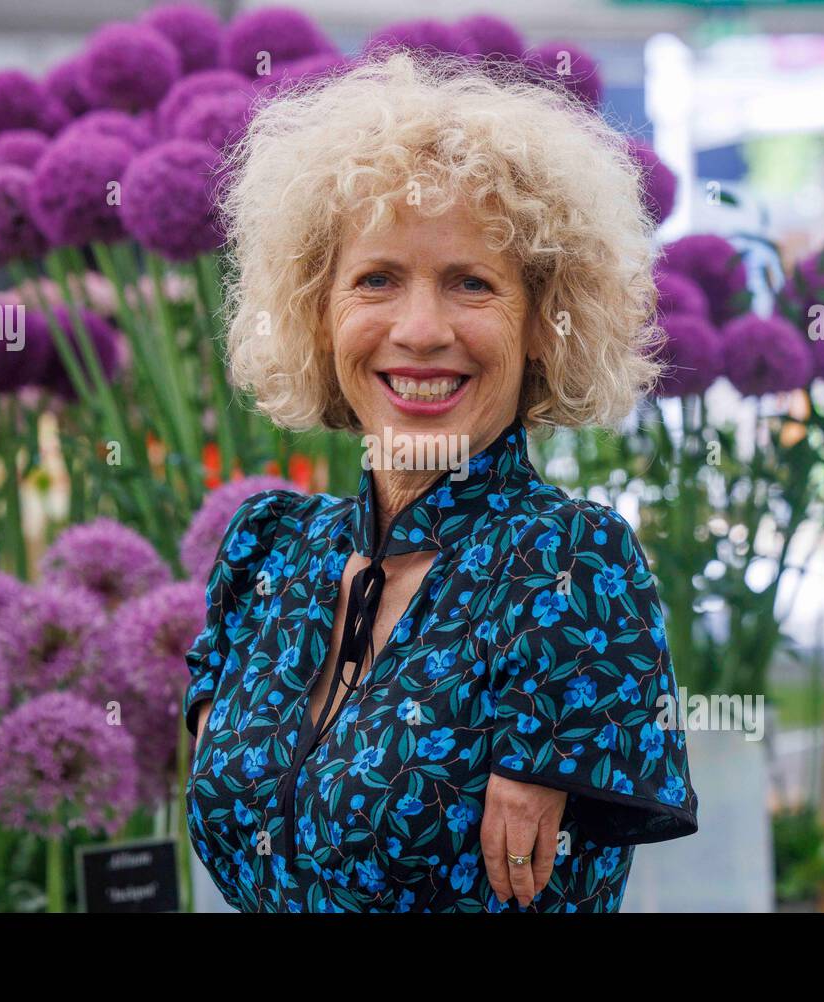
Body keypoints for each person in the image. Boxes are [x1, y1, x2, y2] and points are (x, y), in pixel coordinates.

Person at [182, 51, 698, 913]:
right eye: (376, 279)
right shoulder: (262, 551)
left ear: (544, 323)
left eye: (471, 284)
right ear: (319, 312)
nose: (420, 330)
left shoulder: (572, 567)